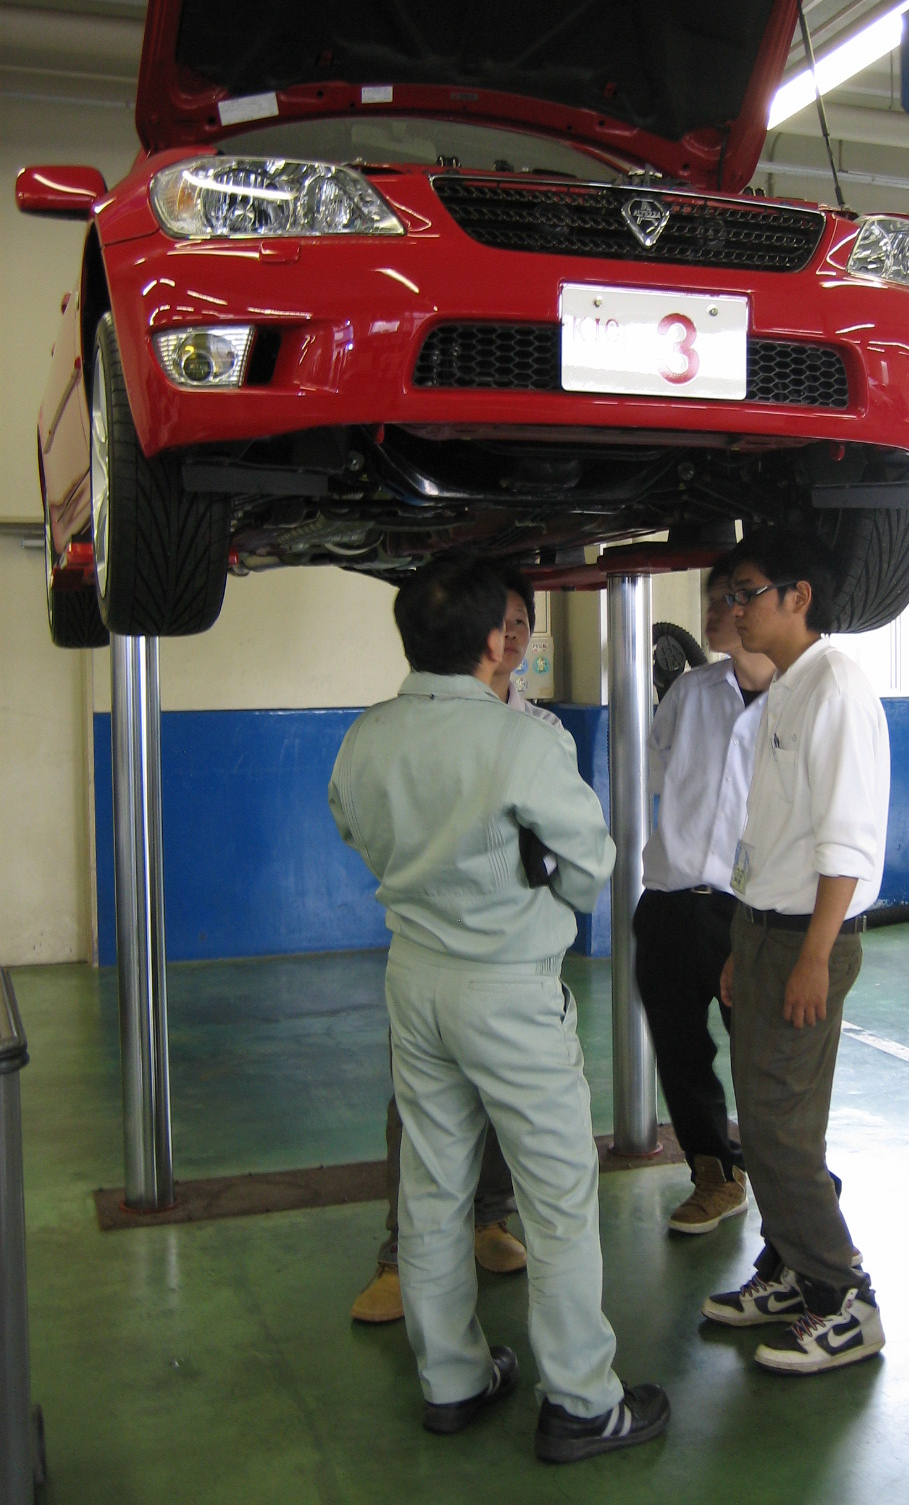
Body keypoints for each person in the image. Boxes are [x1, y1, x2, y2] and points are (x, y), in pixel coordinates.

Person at [329, 555, 669, 1459]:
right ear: (492, 641)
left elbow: (351, 825)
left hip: (414, 978)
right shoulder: (522, 742)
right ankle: (583, 1403)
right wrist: (542, 897)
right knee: (556, 1196)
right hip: (510, 988)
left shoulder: (367, 735)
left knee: (433, 1182)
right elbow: (592, 866)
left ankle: (452, 1379)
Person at [701, 531, 890, 1378]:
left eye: (746, 592)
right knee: (767, 1121)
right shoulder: (785, 689)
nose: (733, 608)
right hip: (764, 930)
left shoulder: (835, 688)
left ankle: (844, 1297)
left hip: (806, 936)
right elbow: (771, 831)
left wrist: (814, 954)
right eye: (731, 595)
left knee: (780, 1131)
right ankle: (788, 1269)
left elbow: (847, 839)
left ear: (798, 596)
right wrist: (744, 940)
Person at [350, 567, 555, 1324]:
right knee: (421, 1107)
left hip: (517, 957)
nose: (511, 636)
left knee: (507, 1104)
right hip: (433, 954)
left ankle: (487, 1220)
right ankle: (401, 1256)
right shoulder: (408, 726)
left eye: (522, 622)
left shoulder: (543, 733)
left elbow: (573, 852)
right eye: (500, 621)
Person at [634, 549, 776, 1234]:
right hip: (668, 903)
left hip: (748, 912)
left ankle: (788, 1189)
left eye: (730, 597)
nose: (717, 611)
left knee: (762, 1060)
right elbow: (654, 774)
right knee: (679, 1049)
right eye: (712, 598)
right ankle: (714, 1175)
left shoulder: (800, 702)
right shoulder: (690, 694)